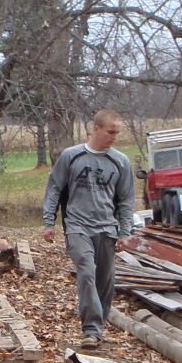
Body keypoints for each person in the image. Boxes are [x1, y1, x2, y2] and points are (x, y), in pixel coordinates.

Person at [41, 109, 137, 347]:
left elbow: (126, 200)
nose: (115, 137)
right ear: (96, 129)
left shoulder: (121, 162)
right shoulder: (71, 156)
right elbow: (54, 188)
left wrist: (125, 232)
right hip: (77, 226)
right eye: (110, 132)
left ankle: (97, 328)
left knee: (104, 281)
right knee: (86, 270)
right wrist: (49, 222)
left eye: (118, 132)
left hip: (107, 228)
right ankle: (91, 329)